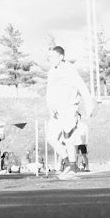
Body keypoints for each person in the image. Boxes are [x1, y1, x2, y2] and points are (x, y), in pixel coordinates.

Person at [45, 46, 95, 180]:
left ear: (61, 57)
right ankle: (68, 164)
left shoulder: (69, 70)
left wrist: (89, 104)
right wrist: (50, 106)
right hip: (56, 111)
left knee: (68, 139)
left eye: (53, 57)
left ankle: (73, 170)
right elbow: (49, 91)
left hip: (68, 108)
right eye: (49, 57)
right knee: (50, 137)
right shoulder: (51, 72)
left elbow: (82, 87)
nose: (50, 59)